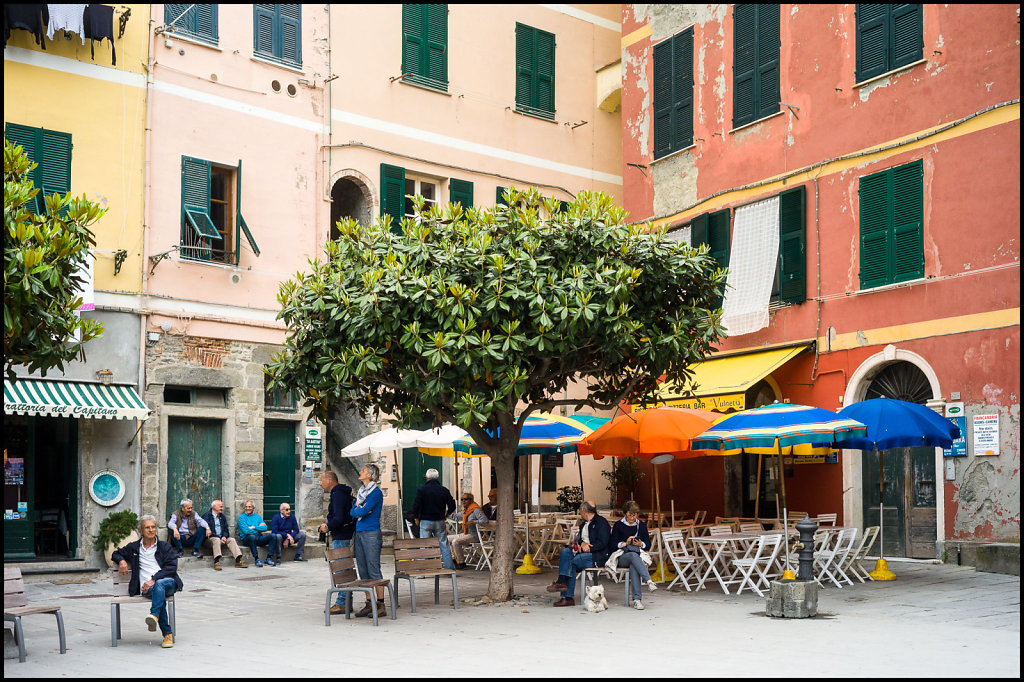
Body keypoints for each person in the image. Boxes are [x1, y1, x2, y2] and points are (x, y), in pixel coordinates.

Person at [111, 515, 183, 649]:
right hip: (148, 589)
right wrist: (121, 560)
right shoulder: (134, 548)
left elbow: (171, 567)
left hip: (168, 582)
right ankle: (167, 634)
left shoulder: (164, 546)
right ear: (140, 530)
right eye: (147, 527)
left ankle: (154, 615)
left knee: (159, 585)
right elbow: (116, 553)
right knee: (157, 592)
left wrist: (154, 579)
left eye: (153, 527)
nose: (151, 530)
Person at [546, 501, 611, 607]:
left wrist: (588, 548)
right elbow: (579, 539)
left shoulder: (601, 523)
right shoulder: (583, 524)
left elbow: (603, 543)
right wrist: (581, 543)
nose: (580, 512)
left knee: (572, 562)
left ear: (584, 510)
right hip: (582, 553)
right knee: (565, 552)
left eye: (580, 509)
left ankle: (567, 596)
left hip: (597, 556)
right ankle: (562, 584)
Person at [319, 470, 357, 615]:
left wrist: (327, 527)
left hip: (341, 535)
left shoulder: (338, 495)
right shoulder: (341, 493)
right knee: (344, 568)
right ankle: (346, 601)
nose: (321, 484)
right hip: (344, 533)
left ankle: (342, 602)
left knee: (341, 569)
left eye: (322, 480)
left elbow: (339, 518)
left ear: (329, 480)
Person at [350, 463, 386, 618]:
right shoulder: (361, 492)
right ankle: (369, 603)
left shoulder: (375, 493)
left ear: (370, 475)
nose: (360, 472)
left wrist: (360, 510)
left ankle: (380, 604)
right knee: (363, 570)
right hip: (359, 532)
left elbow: (363, 510)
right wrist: (360, 510)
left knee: (373, 569)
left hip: (371, 532)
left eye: (363, 471)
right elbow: (353, 511)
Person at [609, 500, 658, 610]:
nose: (633, 517)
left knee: (634, 563)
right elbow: (612, 544)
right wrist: (625, 543)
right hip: (621, 556)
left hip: (636, 556)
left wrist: (641, 544)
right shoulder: (618, 525)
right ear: (625, 513)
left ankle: (637, 600)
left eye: (635, 514)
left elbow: (648, 545)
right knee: (632, 556)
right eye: (630, 514)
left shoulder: (641, 525)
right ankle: (649, 581)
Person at [410, 468, 456, 570]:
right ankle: (450, 569)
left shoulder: (422, 490)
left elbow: (416, 505)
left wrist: (416, 517)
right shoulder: (444, 490)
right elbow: (452, 505)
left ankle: (422, 570)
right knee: (444, 545)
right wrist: (447, 514)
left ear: (427, 478)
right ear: (437, 477)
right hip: (439, 520)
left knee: (424, 545)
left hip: (426, 521)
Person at [201, 499, 247, 570]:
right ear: (214, 507)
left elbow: (226, 529)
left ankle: (238, 560)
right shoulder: (206, 516)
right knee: (216, 540)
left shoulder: (222, 516)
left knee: (231, 540)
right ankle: (216, 562)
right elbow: (206, 531)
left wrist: (224, 536)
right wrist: (219, 537)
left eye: (222, 507)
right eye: (220, 507)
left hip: (221, 538)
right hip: (210, 539)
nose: (222, 508)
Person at [448, 492, 489, 569]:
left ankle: (461, 563)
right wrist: (446, 513)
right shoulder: (465, 511)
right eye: (462, 499)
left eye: (466, 499)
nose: (463, 501)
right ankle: (453, 559)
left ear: (471, 500)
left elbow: (485, 521)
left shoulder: (475, 509)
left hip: (475, 536)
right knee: (446, 539)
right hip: (466, 533)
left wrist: (474, 522)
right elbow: (456, 517)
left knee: (455, 541)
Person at [238, 500, 278, 567]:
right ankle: (257, 559)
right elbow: (246, 531)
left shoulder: (257, 517)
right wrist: (258, 528)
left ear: (253, 507)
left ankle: (268, 558)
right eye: (246, 506)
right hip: (247, 538)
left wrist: (254, 527)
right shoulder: (241, 517)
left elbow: (265, 528)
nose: (247, 508)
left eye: (249, 507)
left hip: (258, 537)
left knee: (273, 536)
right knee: (252, 537)